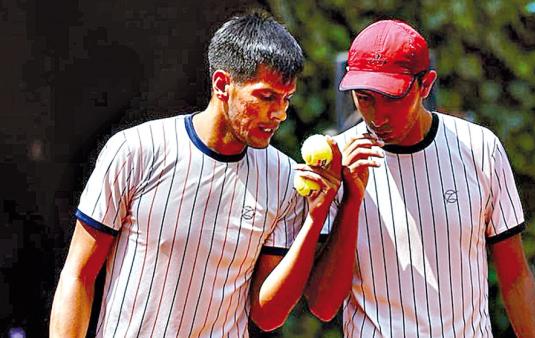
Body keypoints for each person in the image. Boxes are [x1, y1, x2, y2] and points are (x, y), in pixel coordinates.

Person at [49, 12, 341, 337]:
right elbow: (78, 274)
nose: (279, 113)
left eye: (285, 99)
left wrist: (315, 220)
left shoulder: (287, 180)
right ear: (221, 85)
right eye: (266, 96)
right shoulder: (135, 150)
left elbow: (268, 317)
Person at [305, 20, 535, 337]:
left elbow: (516, 276)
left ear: (426, 85)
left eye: (392, 97)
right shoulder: (335, 160)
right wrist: (351, 197)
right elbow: (323, 307)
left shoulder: (481, 148)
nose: (378, 116)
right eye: (365, 98)